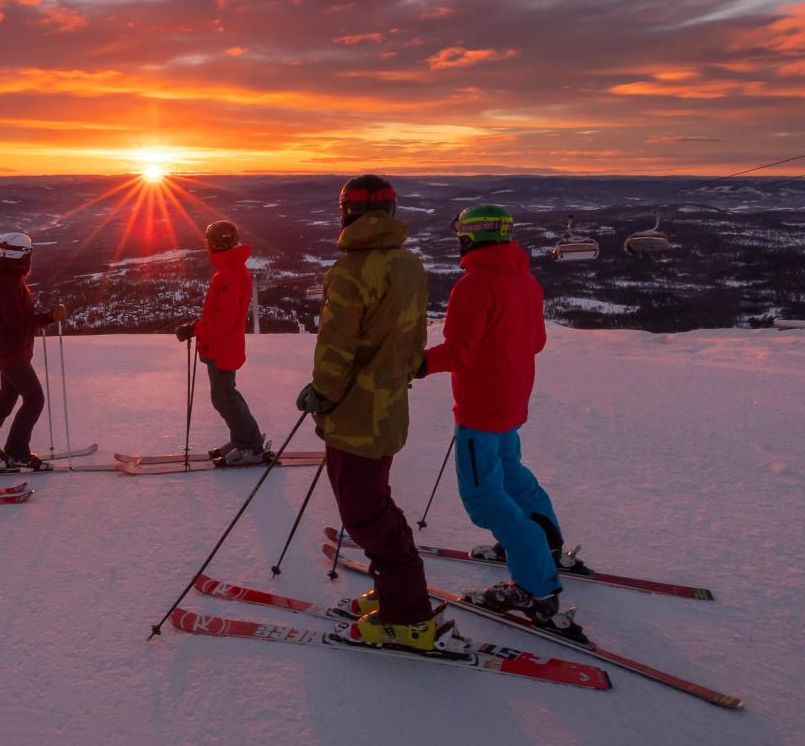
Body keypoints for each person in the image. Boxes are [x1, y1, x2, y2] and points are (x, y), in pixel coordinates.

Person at [296, 175, 468, 656]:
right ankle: (396, 594)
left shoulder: (350, 271)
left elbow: (335, 347)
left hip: (355, 417)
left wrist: (321, 394)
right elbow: (414, 344)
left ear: (346, 213)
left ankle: (407, 617)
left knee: (364, 514)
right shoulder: (409, 265)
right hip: (390, 409)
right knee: (377, 503)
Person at [415, 204, 583, 636]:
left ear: (469, 237)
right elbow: (537, 342)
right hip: (512, 400)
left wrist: (413, 365)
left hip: (480, 408)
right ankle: (545, 544)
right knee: (510, 473)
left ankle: (535, 587)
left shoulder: (473, 286)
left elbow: (458, 352)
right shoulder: (525, 282)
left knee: (484, 497)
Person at [0, 231, 68, 470]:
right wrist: (48, 317)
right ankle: (17, 451)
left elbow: (15, 318)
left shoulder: (6, 279)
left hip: (8, 351)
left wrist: (44, 317)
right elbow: (16, 320)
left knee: (7, 398)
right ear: (22, 256)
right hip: (12, 353)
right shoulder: (10, 282)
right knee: (34, 399)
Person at [173, 219, 270, 466]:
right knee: (226, 395)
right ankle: (243, 439)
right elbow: (221, 318)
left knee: (224, 396)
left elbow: (222, 323)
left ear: (214, 245)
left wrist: (194, 329)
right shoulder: (232, 270)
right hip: (224, 345)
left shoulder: (228, 275)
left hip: (223, 347)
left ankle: (250, 445)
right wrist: (198, 327)